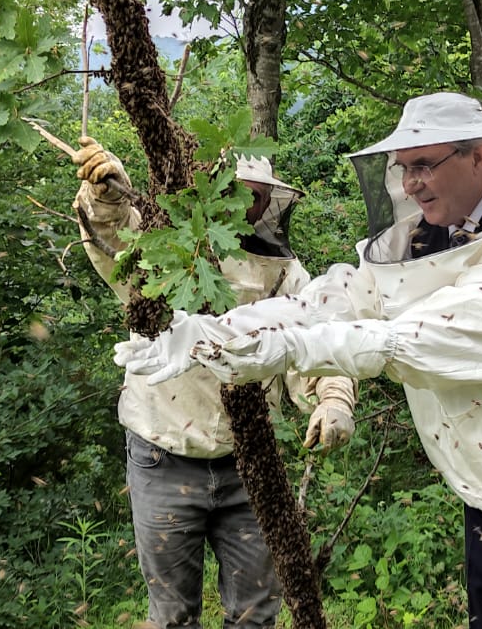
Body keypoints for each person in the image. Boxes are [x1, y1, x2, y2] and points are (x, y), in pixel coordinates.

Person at [116, 93, 482, 629]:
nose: (409, 183)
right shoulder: (424, 236)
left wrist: (287, 350)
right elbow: (328, 298)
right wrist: (205, 334)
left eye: (425, 164)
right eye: (402, 169)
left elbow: (422, 341)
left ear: (481, 156)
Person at [69, 136, 359, 629]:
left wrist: (333, 399)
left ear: (270, 202)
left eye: (258, 196)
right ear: (213, 192)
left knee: (254, 616)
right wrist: (107, 193)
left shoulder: (284, 273)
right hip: (163, 452)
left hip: (249, 463)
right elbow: (117, 242)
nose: (247, 205)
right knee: (173, 617)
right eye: (237, 192)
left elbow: (314, 338)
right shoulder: (168, 248)